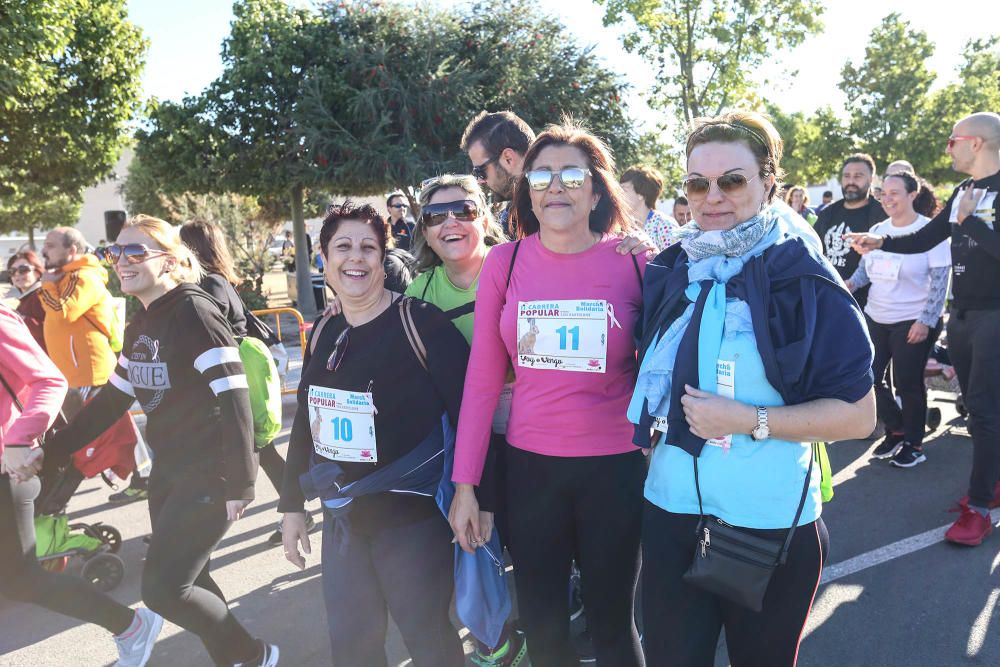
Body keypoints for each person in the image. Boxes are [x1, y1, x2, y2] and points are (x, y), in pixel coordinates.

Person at [630, 110, 875, 667]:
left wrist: (750, 420)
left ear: (769, 182)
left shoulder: (802, 279)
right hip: (669, 511)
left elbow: (859, 417)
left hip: (766, 524)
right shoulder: (673, 267)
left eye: (732, 180)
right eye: (697, 183)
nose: (712, 196)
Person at [25, 215, 277, 666]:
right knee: (192, 580)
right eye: (115, 251)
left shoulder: (193, 311)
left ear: (172, 260)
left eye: (136, 252)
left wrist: (240, 480)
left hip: (211, 471)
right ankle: (242, 658)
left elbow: (234, 395)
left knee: (164, 589)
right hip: (170, 472)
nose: (121, 261)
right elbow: (112, 400)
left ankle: (254, 655)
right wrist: (53, 449)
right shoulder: (143, 320)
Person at [449, 121, 647, 667]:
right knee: (544, 628)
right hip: (530, 471)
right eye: (542, 175)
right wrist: (466, 485)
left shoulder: (636, 262)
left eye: (571, 174)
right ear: (527, 189)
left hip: (615, 468)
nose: (555, 186)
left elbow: (662, 367)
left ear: (596, 189)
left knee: (612, 626)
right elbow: (484, 379)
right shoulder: (504, 263)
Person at [280, 202, 469, 667]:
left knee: (430, 642)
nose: (356, 258)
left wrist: (472, 494)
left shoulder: (421, 323)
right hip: (343, 522)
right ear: (324, 257)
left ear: (384, 259)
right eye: (342, 247)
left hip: (413, 522)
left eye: (369, 248)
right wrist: (290, 506)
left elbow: (469, 415)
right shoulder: (324, 328)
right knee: (352, 648)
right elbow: (306, 419)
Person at [848, 111, 1000, 546]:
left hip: (995, 314)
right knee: (975, 405)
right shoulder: (964, 191)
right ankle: (989, 482)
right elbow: (926, 238)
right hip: (965, 315)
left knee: (986, 411)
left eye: (953, 141)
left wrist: (971, 222)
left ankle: (979, 506)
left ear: (978, 143)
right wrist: (880, 242)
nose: (947, 147)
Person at [1, 303, 164, 666]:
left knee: (20, 580)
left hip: (7, 472)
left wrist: (17, 441)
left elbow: (49, 380)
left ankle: (130, 626)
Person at [179, 219, 315, 546]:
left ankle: (187, 522)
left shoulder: (210, 285)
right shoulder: (216, 281)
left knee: (251, 449)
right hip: (234, 376)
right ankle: (298, 506)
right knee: (261, 449)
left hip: (232, 378)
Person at [846, 172, 949, 468]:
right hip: (877, 316)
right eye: (883, 193)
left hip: (912, 320)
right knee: (868, 378)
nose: (887, 199)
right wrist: (847, 284)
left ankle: (915, 444)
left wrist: (926, 321)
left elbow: (941, 281)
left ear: (912, 195)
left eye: (894, 193)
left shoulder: (929, 231)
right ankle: (896, 429)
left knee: (908, 384)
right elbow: (865, 272)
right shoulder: (878, 229)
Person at [39, 227, 117, 391]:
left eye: (50, 246)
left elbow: (62, 312)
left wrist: (47, 286)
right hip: (74, 375)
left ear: (72, 250)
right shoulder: (66, 275)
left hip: (87, 376)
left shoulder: (83, 276)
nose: (43, 251)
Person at [813, 154, 887, 308]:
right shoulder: (828, 213)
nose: (851, 182)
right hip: (826, 297)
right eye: (847, 176)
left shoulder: (881, 215)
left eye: (858, 176)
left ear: (871, 179)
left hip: (865, 304)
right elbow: (813, 251)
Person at [461, 110, 536, 237]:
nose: (480, 181)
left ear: (508, 158)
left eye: (480, 171)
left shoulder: (547, 210)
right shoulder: (565, 199)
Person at [621, 164, 678, 251]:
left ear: (641, 194)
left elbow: (675, 262)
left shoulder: (665, 225)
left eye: (624, 190)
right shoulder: (625, 227)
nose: (618, 194)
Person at [6, 251, 47, 350]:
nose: (17, 274)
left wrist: (18, 318)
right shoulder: (28, 298)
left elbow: (51, 329)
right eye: (12, 271)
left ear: (37, 273)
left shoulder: (43, 295)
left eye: (23, 269)